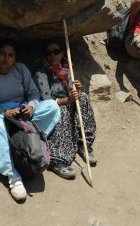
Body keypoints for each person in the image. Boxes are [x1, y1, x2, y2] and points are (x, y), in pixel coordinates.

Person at [0, 39, 60, 202]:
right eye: (3, 54)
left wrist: (32, 106)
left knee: (52, 107)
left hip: (21, 110)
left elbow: (34, 93)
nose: (6, 58)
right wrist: (4, 111)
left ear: (15, 58)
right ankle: (12, 175)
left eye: (10, 55)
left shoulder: (20, 69)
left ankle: (35, 143)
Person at [34, 40, 96, 180]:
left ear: (62, 53)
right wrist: (67, 100)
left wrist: (76, 89)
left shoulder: (67, 69)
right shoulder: (41, 73)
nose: (52, 56)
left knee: (83, 97)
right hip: (51, 106)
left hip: (66, 101)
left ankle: (83, 143)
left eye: (56, 52)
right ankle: (57, 159)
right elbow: (46, 100)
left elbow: (69, 89)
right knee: (61, 111)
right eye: (48, 53)